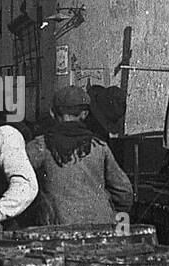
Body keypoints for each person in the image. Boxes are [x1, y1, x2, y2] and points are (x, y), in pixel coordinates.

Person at [25, 85, 134, 226]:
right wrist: (110, 213)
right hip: (101, 227)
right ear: (84, 114)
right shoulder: (99, 147)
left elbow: (20, 186)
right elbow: (124, 192)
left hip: (57, 230)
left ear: (52, 113)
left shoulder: (39, 146)